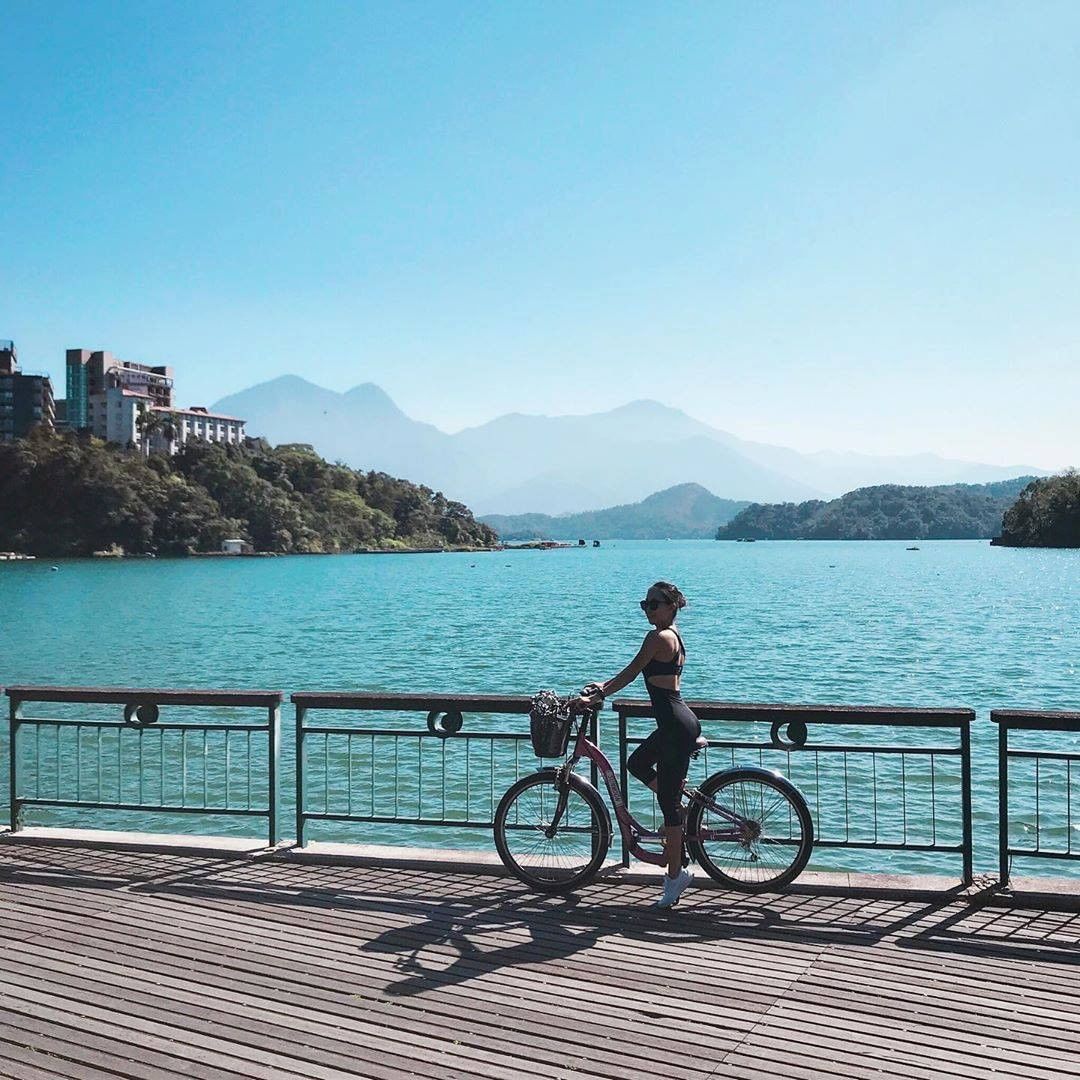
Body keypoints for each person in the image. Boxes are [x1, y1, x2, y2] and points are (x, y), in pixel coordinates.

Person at [579, 581, 701, 908]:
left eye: (654, 604)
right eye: (644, 604)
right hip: (678, 722)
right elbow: (634, 671)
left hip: (675, 726)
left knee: (668, 805)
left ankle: (675, 878)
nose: (648, 610)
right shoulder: (673, 636)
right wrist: (602, 686)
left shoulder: (657, 638)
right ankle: (682, 811)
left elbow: (632, 672)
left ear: (671, 606)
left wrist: (598, 694)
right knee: (637, 764)